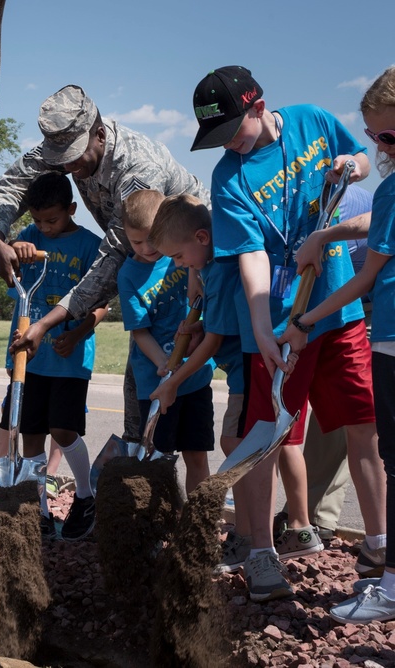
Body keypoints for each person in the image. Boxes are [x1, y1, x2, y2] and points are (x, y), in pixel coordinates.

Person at [192, 65, 385, 602]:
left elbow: (363, 160)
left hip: (338, 311)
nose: (226, 143)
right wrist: (262, 329)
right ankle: (261, 553)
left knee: (363, 427)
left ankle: (378, 547)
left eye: (232, 130)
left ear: (258, 107)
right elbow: (251, 256)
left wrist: (351, 166)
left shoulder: (312, 121)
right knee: (266, 439)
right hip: (280, 327)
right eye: (216, 137)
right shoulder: (228, 178)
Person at [0, 85, 210, 446]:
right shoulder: (66, 144)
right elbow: (11, 184)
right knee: (143, 385)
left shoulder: (138, 169)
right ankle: (140, 459)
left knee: (183, 381)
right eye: (61, 159)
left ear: (99, 134)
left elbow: (111, 260)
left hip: (194, 266)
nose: (68, 167)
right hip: (145, 265)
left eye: (75, 157)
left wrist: (45, 324)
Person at [281, 65, 395, 623]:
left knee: (387, 455)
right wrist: (327, 232)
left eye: (387, 135)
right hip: (379, 335)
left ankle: (388, 579)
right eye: (373, 136)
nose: (379, 147)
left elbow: (366, 274)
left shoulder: (387, 187)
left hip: (380, 335)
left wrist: (305, 319)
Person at [0, 172, 106, 541]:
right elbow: (9, 273)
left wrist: (76, 334)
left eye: (52, 220)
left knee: (63, 429)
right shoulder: (29, 237)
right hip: (29, 359)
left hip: (69, 359)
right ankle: (39, 510)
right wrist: (14, 245)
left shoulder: (91, 246)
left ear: (72, 209)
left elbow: (101, 305)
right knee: (31, 434)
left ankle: (86, 497)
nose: (44, 227)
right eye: (38, 220)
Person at [147, 193, 248, 569]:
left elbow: (212, 344)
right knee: (236, 444)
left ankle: (247, 536)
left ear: (202, 238)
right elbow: (213, 322)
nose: (177, 264)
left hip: (245, 371)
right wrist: (198, 323)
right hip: (239, 369)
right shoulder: (210, 267)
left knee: (234, 444)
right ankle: (248, 532)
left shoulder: (218, 273)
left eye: (178, 256)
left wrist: (173, 382)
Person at [278, 184, 373, 544]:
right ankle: (307, 512)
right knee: (327, 413)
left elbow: (356, 283)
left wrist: (304, 322)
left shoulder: (339, 210)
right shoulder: (289, 207)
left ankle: (318, 516)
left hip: (365, 304)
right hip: (325, 305)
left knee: (353, 416)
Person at [116, 190, 215, 492]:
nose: (147, 248)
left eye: (152, 239)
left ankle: (196, 515)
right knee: (158, 457)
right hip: (156, 383)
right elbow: (140, 331)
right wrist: (163, 364)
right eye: (137, 242)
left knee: (197, 453)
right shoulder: (129, 275)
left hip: (195, 376)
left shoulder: (182, 257)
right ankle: (160, 516)